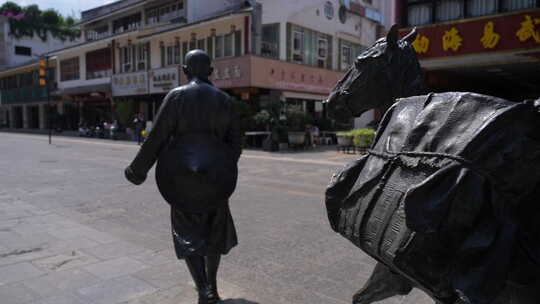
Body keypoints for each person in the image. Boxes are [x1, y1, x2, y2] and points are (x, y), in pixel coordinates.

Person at [124, 50, 242, 304]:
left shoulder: (176, 97)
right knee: (213, 232)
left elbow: (156, 138)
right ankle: (212, 286)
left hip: (181, 178)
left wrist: (137, 170)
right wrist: (220, 168)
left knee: (188, 234)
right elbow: (236, 145)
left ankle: (204, 290)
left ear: (184, 70)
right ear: (211, 71)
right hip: (215, 179)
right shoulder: (226, 101)